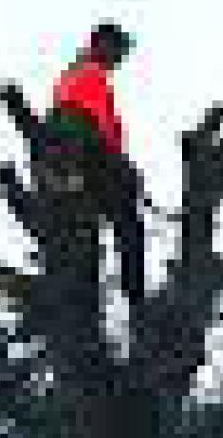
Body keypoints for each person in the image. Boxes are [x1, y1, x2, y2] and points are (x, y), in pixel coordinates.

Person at [43, 21, 146, 306]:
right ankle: (135, 296)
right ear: (102, 45)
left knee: (97, 228)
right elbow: (103, 128)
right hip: (87, 155)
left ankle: (116, 293)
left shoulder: (76, 74)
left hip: (75, 158)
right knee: (129, 224)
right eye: (118, 50)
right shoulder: (89, 75)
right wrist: (124, 169)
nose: (120, 58)